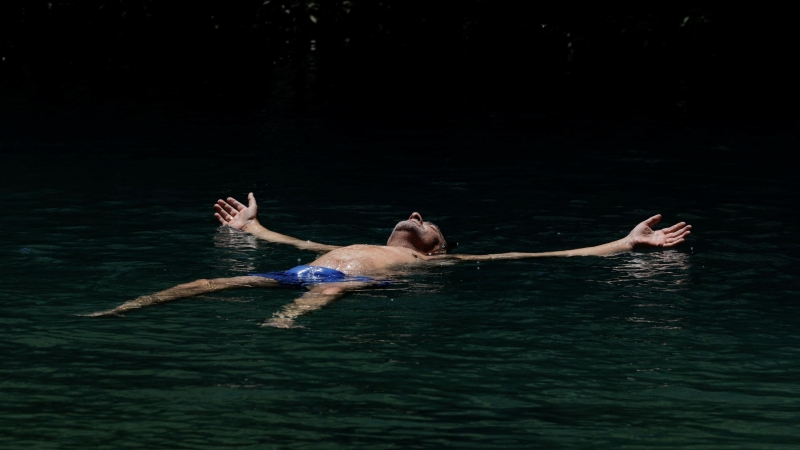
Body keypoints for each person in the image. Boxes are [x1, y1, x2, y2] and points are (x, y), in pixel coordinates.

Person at [89, 193, 692, 327]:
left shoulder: (438, 266)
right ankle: (124, 308)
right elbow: (286, 242)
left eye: (428, 221)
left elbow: (549, 252)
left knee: (319, 295)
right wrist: (253, 226)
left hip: (339, 283)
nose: (415, 213)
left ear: (437, 249)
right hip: (307, 268)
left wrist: (624, 243)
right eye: (411, 214)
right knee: (206, 280)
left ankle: (280, 328)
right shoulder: (359, 241)